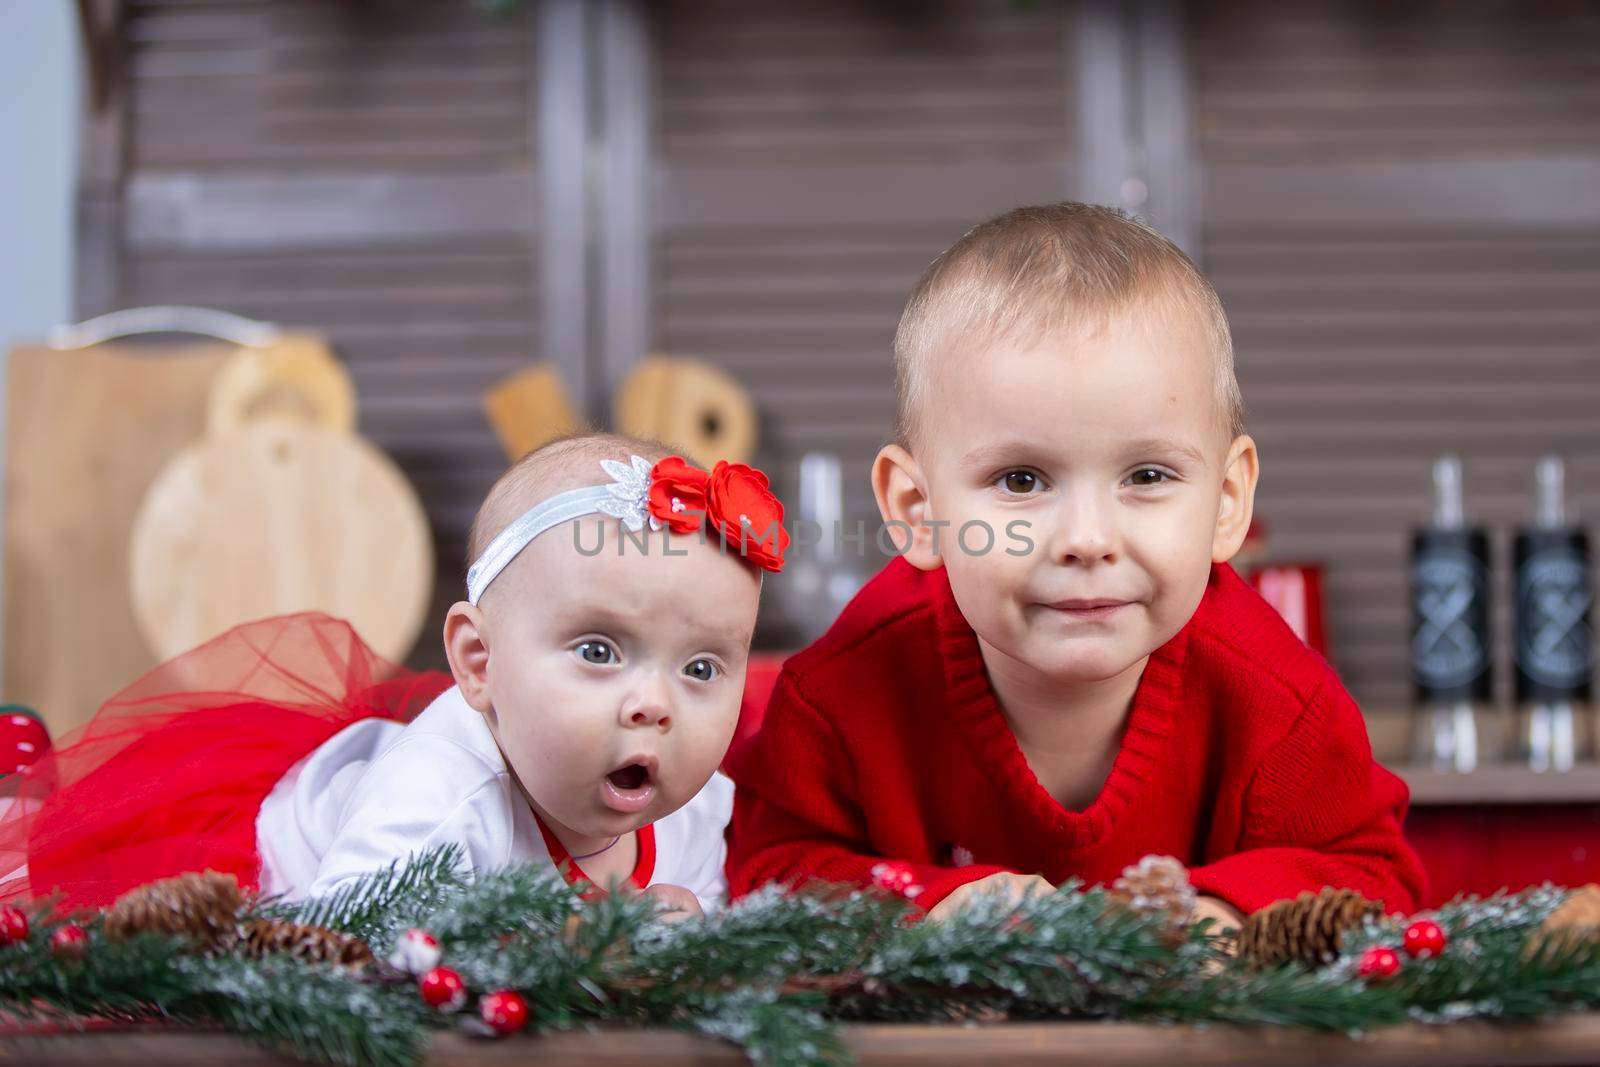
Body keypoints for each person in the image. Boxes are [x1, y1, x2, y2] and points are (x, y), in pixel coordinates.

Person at [724, 203, 1426, 930]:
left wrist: (1227, 918)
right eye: (1022, 480)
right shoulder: (846, 688)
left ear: (1226, 501)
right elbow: (766, 872)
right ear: (917, 509)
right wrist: (936, 909)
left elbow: (1375, 876)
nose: (1088, 539)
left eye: (1148, 476)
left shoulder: (1277, 702)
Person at [3, 431, 788, 919]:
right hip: (277, 865)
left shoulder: (699, 804)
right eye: (597, 651)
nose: (653, 704)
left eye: (699, 667)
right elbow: (344, 945)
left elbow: (702, 904)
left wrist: (682, 923)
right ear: (480, 663)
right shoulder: (441, 800)